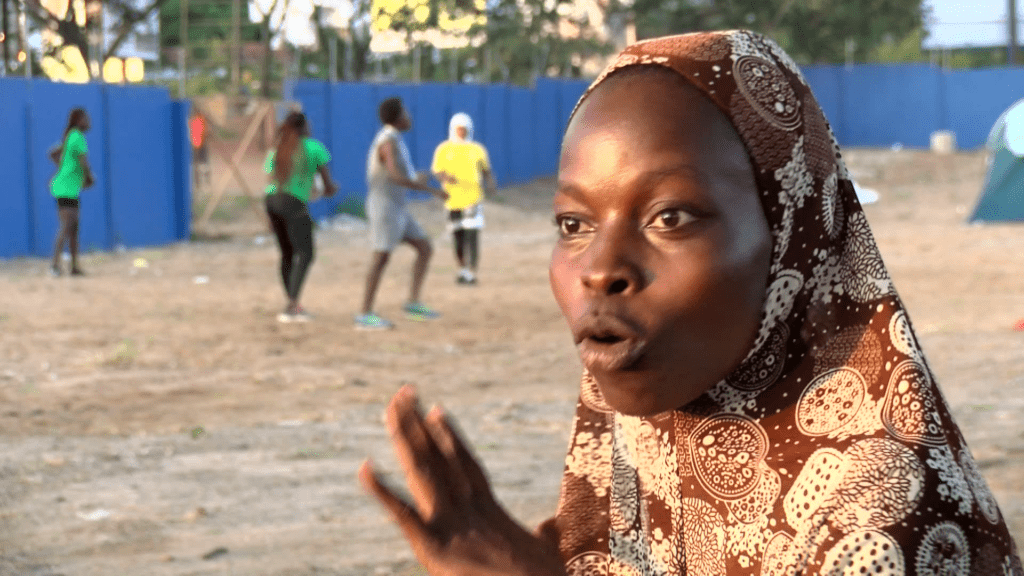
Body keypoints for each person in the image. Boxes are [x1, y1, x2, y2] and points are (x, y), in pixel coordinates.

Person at [359, 31, 1024, 575]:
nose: (601, 271)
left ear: (793, 235)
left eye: (670, 217)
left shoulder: (886, 526)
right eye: (573, 224)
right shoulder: (641, 455)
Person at [356, 97, 448, 330]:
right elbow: (396, 177)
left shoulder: (394, 139)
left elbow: (400, 175)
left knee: (425, 248)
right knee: (381, 257)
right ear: (397, 118)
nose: (409, 116)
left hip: (396, 207)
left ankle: (413, 303)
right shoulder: (388, 141)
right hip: (384, 206)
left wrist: (427, 176)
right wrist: (430, 190)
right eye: (405, 112)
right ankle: (365, 313)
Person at [264, 111, 337, 323]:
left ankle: (292, 302)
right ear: (304, 127)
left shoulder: (277, 148)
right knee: (306, 254)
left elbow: (270, 178)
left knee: (287, 253)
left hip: (271, 201)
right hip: (293, 202)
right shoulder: (314, 147)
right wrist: (329, 189)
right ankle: (291, 307)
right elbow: (327, 183)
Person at [431, 112, 496, 285]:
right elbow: (437, 170)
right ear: (453, 129)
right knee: (458, 236)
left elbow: (486, 170)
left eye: (464, 129)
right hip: (452, 200)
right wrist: (445, 178)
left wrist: (490, 184)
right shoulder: (444, 149)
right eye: (459, 129)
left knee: (472, 234)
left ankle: (472, 271)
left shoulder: (477, 149)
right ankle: (462, 269)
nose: (462, 132)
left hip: (473, 198)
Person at [49, 108, 94, 277]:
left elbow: (53, 153)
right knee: (66, 227)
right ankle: (54, 265)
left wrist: (63, 168)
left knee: (74, 228)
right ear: (78, 120)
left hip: (70, 188)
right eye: (86, 118)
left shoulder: (71, 136)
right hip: (65, 189)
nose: (89, 121)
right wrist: (89, 178)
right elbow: (84, 162)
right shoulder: (77, 137)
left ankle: (74, 267)